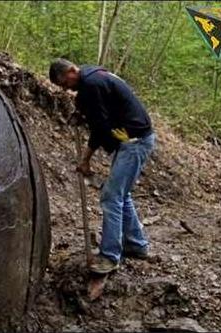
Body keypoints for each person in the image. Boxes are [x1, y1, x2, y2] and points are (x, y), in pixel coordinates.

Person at [48, 58, 155, 274]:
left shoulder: (91, 84)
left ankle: (109, 256)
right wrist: (82, 113)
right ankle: (136, 245)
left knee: (111, 196)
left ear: (71, 71)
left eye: (64, 83)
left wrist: (86, 159)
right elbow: (100, 110)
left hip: (134, 142)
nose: (66, 89)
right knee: (121, 195)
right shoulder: (92, 76)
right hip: (133, 138)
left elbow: (99, 127)